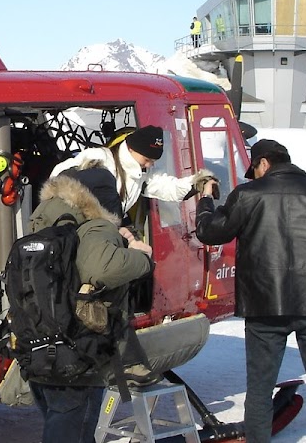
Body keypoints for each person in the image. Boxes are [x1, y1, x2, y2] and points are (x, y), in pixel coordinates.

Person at [194, 139, 306, 443]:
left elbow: (210, 232)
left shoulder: (247, 195)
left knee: (259, 387)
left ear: (264, 163)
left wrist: (205, 201)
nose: (253, 176)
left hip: (264, 305)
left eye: (254, 170)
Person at [26, 167, 154, 443]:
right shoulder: (95, 227)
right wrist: (141, 257)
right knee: (76, 429)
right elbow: (102, 267)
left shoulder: (46, 223)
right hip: (79, 351)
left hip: (40, 345)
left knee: (59, 420)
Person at [51, 126, 211, 237]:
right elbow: (59, 180)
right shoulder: (99, 158)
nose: (149, 165)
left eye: (153, 161)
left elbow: (166, 186)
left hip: (104, 234)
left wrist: (196, 182)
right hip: (76, 229)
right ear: (131, 148)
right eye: (147, 159)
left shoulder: (141, 174)